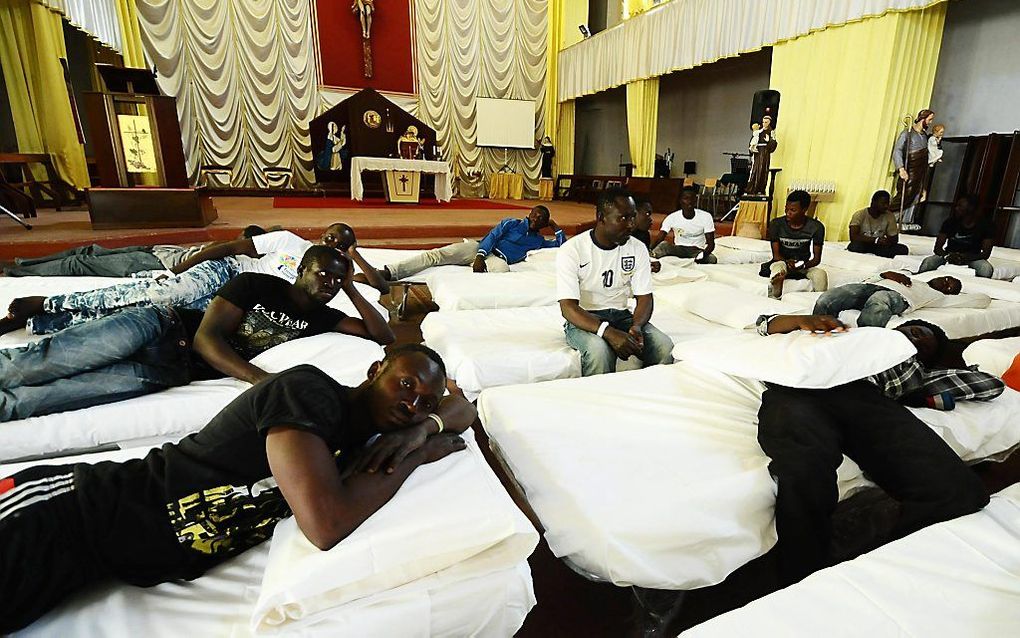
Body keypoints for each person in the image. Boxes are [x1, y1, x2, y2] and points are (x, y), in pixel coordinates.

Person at [0, 343, 474, 633]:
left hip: (95, 559)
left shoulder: (373, 437)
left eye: (423, 401)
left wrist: (421, 428)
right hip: (68, 510)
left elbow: (464, 405)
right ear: (375, 372)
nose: (411, 403)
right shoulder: (308, 392)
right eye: (405, 384)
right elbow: (325, 524)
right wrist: (415, 454)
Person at [0, 246, 394, 422]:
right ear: (300, 271)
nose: (328, 281)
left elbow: (384, 337)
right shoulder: (256, 284)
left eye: (336, 278)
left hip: (168, 371)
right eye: (321, 272)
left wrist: (352, 287)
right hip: (159, 327)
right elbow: (207, 339)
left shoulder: (325, 319)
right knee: (37, 364)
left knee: (43, 400)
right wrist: (260, 379)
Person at [754, 313, 1001, 585]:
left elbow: (991, 386)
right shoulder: (848, 332)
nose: (916, 337)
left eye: (925, 343)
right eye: (914, 330)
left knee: (960, 492)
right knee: (804, 470)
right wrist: (800, 320)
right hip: (800, 388)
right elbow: (764, 324)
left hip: (866, 400)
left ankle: (876, 564)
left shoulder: (917, 373)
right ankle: (802, 577)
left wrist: (924, 388)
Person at [0, 223, 389, 336]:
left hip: (237, 301)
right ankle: (46, 302)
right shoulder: (289, 242)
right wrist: (188, 266)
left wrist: (352, 261)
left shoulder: (332, 277)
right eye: (332, 237)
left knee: (156, 312)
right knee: (159, 291)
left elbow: (381, 290)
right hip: (227, 272)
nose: (332, 244)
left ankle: (43, 322)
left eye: (342, 245)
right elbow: (233, 247)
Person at [556, 188, 674, 376]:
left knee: (664, 347)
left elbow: (645, 298)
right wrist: (608, 332)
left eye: (633, 217)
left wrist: (636, 326)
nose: (631, 225)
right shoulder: (572, 250)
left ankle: (650, 393)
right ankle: (600, 402)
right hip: (585, 318)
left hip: (622, 316)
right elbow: (568, 308)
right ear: (601, 217)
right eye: (623, 218)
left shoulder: (637, 248)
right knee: (599, 351)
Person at [368, 205, 565, 281]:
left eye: (541, 219)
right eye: (535, 215)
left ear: (543, 223)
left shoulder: (538, 241)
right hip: (480, 249)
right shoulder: (511, 223)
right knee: (436, 255)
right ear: (529, 214)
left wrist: (555, 226)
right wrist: (480, 256)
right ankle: (390, 272)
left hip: (498, 260)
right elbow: (492, 237)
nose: (536, 219)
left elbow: (560, 244)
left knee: (503, 272)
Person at [0, 226, 267, 278]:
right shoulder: (232, 248)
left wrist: (172, 274)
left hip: (155, 263)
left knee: (79, 263)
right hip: (159, 250)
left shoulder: (235, 257)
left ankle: (18, 271)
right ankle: (25, 261)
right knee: (89, 249)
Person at [813, 271, 962, 327]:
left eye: (949, 287)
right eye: (947, 278)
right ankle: (816, 329)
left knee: (879, 300)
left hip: (897, 297)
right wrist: (885, 274)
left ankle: (861, 343)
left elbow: (983, 299)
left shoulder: (937, 296)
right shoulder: (914, 278)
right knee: (830, 297)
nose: (945, 283)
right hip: (870, 286)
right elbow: (868, 279)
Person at [762, 190, 827, 299]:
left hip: (803, 265)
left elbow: (816, 259)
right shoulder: (776, 224)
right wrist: (787, 264)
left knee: (821, 275)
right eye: (786, 209)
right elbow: (776, 255)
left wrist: (803, 265)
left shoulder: (816, 227)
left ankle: (821, 302)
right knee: (778, 269)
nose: (788, 213)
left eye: (793, 210)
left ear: (804, 210)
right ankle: (776, 294)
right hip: (781, 261)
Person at [918, 195, 995, 278]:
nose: (956, 209)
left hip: (972, 257)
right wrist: (948, 256)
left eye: (960, 206)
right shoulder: (950, 222)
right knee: (928, 262)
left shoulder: (986, 226)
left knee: (986, 269)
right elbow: (937, 248)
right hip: (949, 254)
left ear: (971, 209)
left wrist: (964, 257)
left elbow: (986, 254)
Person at [890, 109, 935, 228]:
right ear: (923, 118)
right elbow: (897, 150)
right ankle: (890, 219)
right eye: (929, 119)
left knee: (916, 196)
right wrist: (901, 168)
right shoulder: (907, 133)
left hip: (920, 172)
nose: (930, 123)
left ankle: (905, 221)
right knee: (905, 195)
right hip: (909, 170)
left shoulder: (925, 136)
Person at [650, 186, 717, 264]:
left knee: (712, 259)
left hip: (697, 250)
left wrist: (702, 255)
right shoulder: (672, 217)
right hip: (678, 249)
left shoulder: (706, 216)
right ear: (680, 201)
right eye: (686, 198)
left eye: (692, 198)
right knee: (663, 245)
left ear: (695, 200)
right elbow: (660, 237)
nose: (689, 201)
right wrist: (649, 250)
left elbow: (711, 244)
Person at [847, 190, 908, 257]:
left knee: (903, 249)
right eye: (883, 203)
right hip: (864, 244)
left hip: (879, 246)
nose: (886, 206)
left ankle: (877, 251)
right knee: (855, 246)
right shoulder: (859, 215)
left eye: (887, 204)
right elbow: (853, 237)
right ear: (874, 202)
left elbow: (894, 239)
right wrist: (875, 240)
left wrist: (886, 241)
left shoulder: (889, 216)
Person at [747, 115, 778, 195]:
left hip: (764, 153)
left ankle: (760, 188)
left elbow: (773, 144)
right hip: (757, 152)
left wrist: (769, 141)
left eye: (766, 122)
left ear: (769, 123)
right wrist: (752, 148)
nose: (764, 124)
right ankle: (752, 188)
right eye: (763, 122)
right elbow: (753, 141)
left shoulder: (771, 132)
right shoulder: (758, 132)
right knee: (755, 170)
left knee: (763, 170)